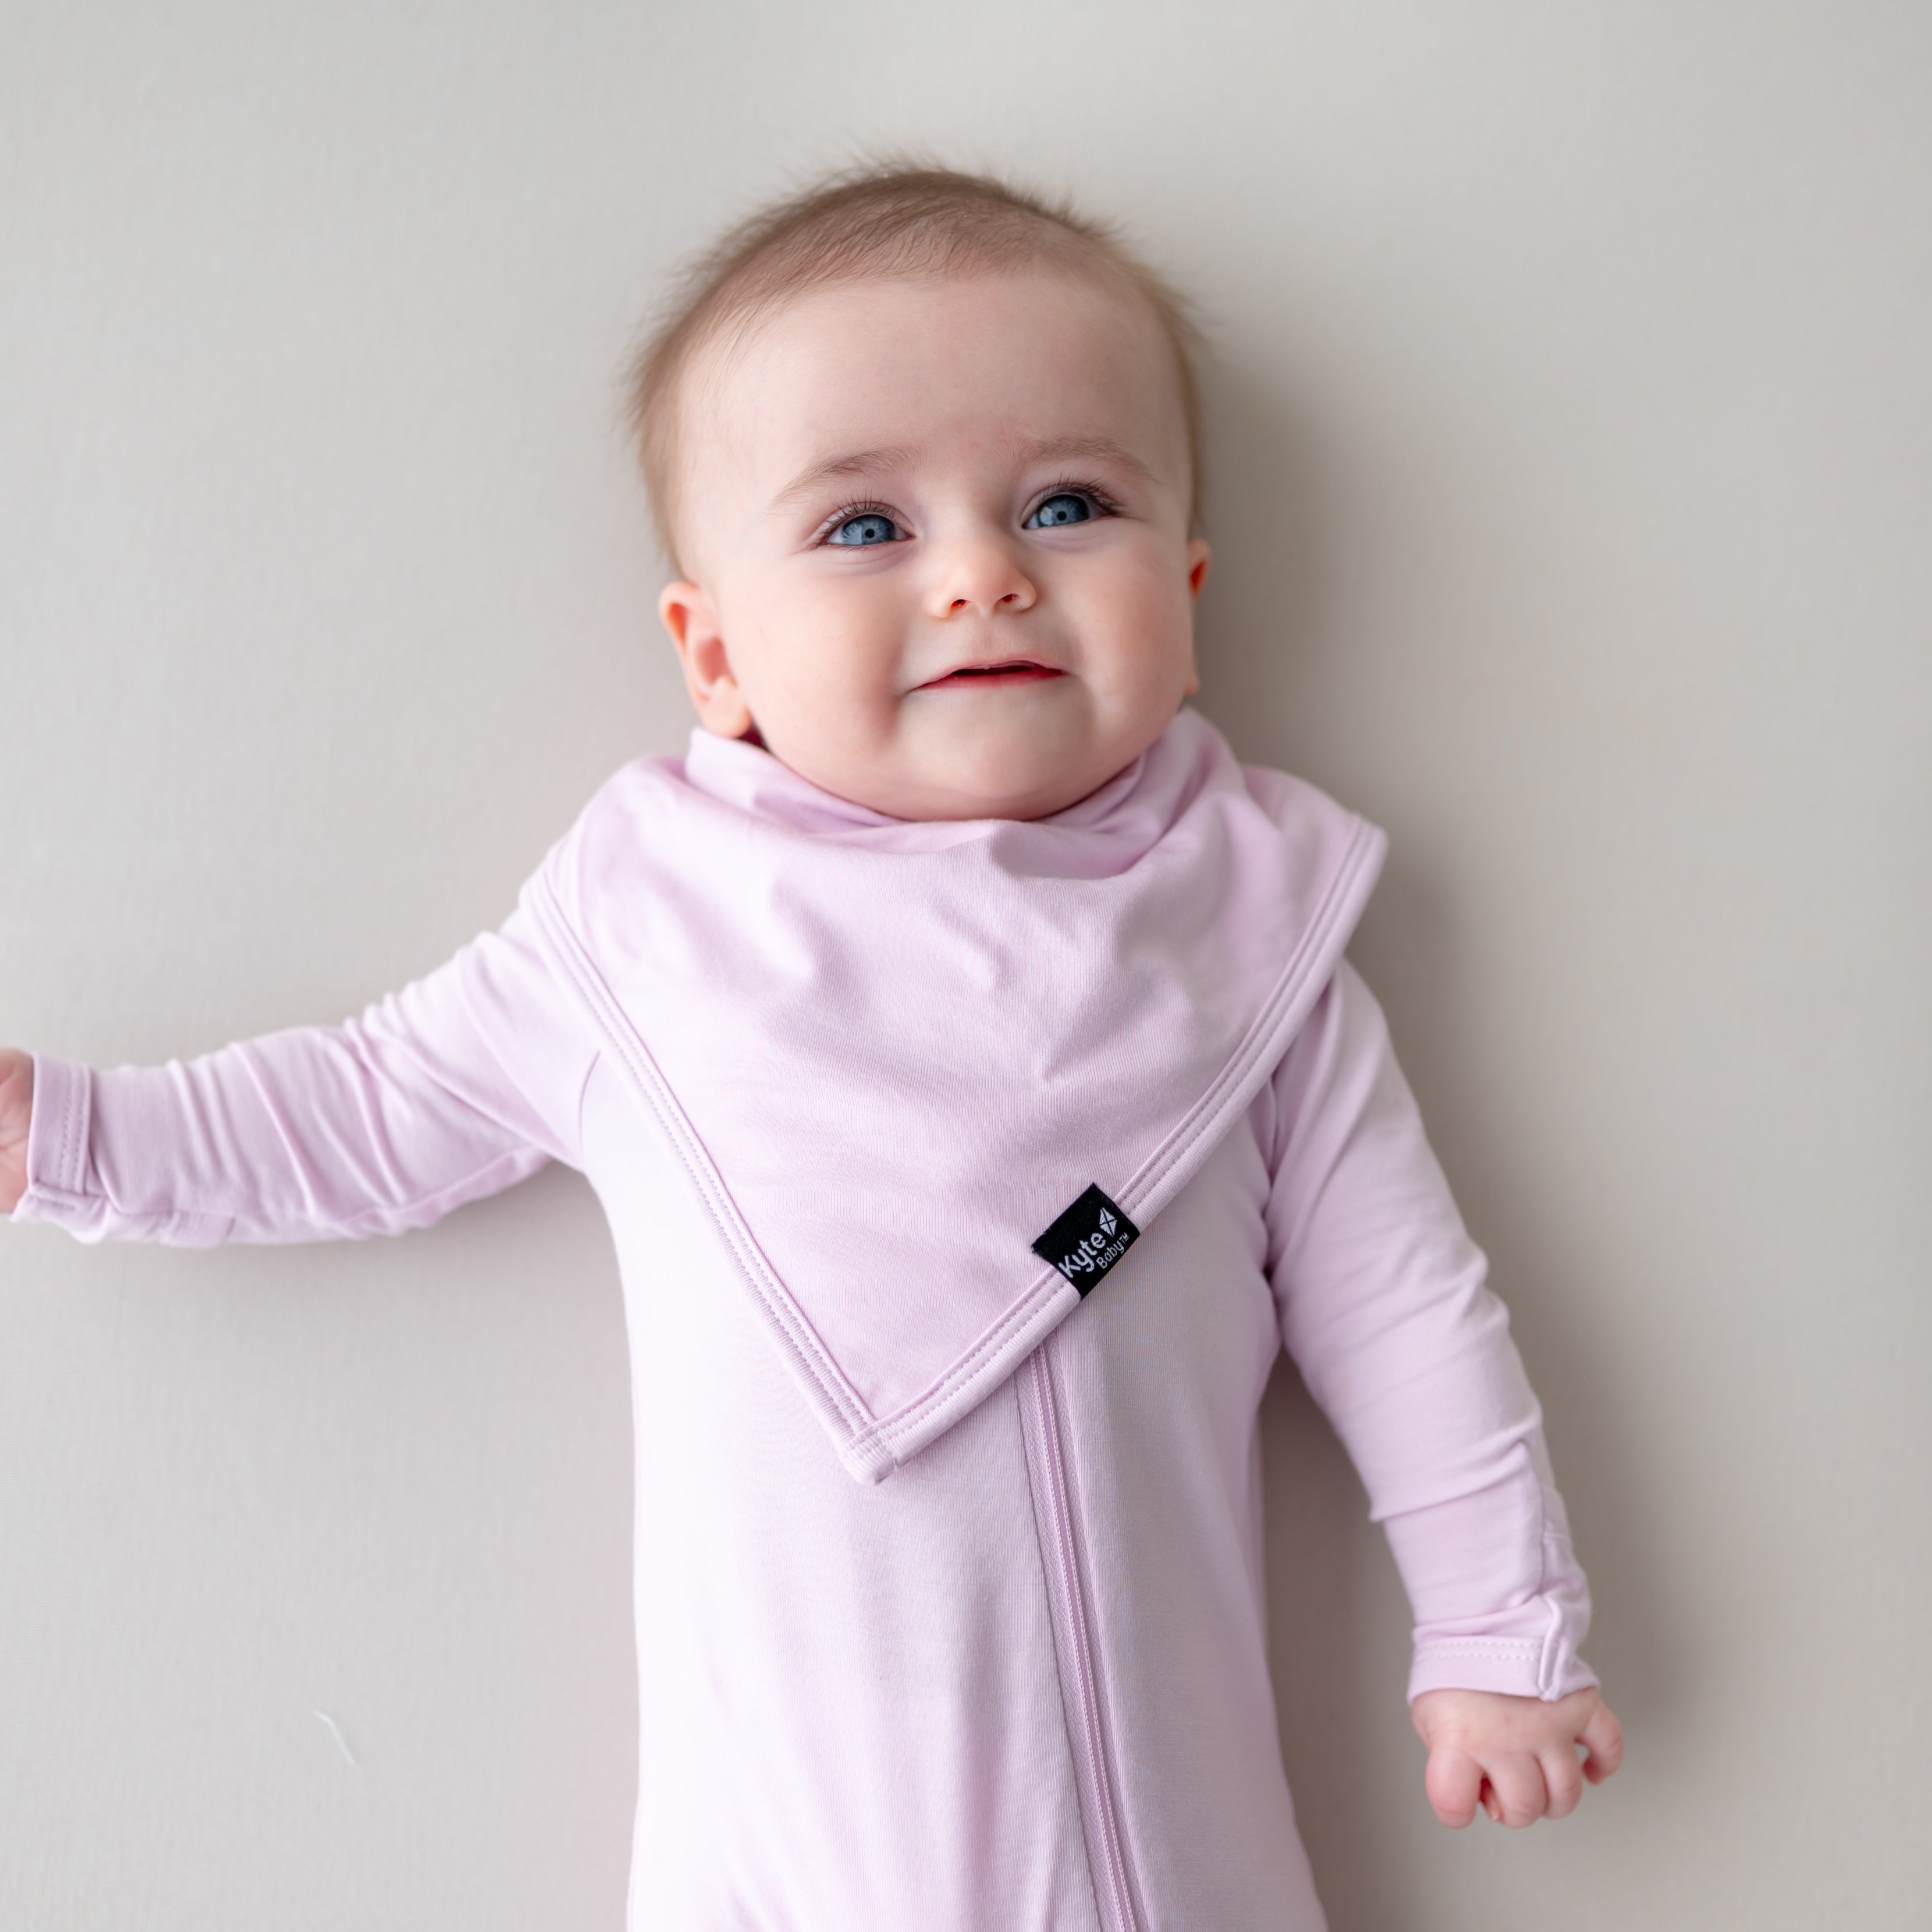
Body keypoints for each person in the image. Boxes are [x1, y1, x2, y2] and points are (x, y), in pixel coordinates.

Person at [0, 165, 1621, 1930]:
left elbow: (1407, 1311)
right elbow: (376, 1105)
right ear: (716, 656)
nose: (985, 577)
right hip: (777, 1863)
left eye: (1071, 503)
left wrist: (1498, 1624)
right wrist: (69, 1135)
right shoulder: (646, 941)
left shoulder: (1248, 950)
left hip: (1179, 1872)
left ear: (1192, 584)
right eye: (866, 529)